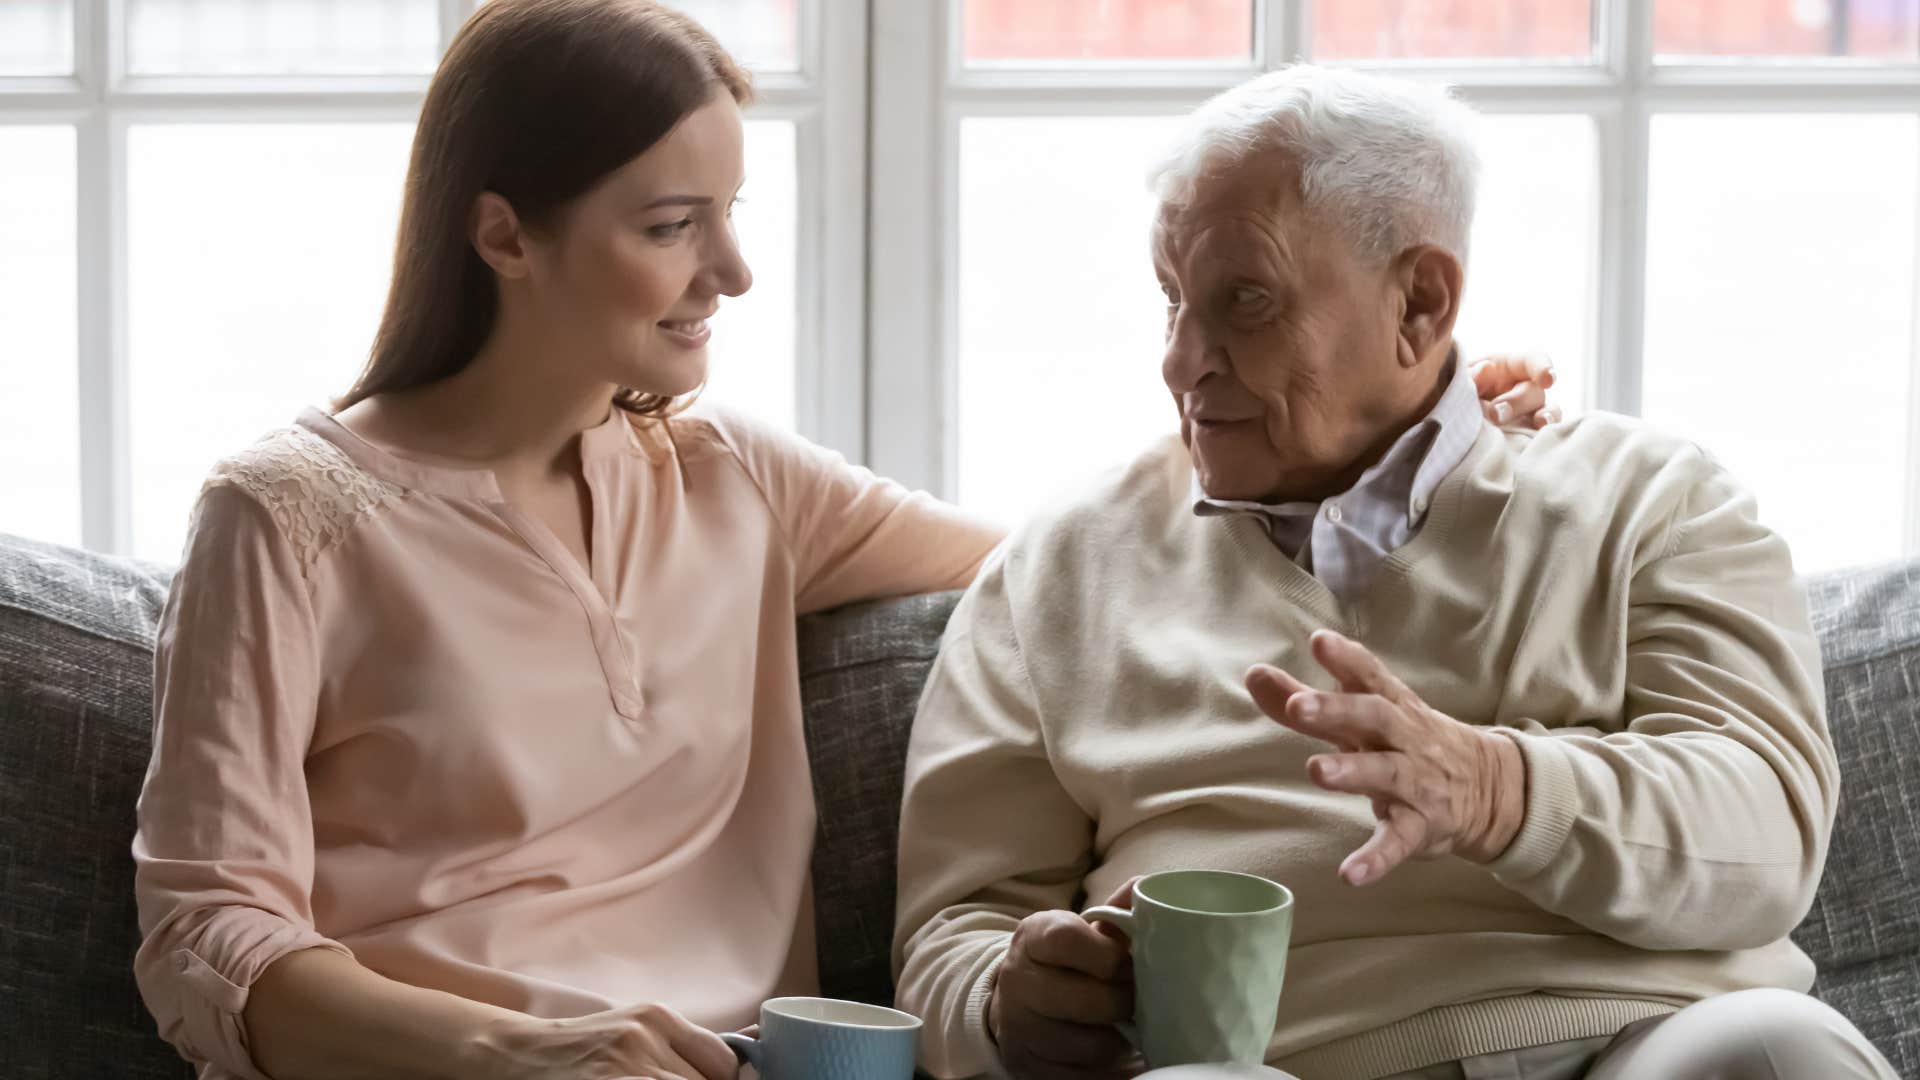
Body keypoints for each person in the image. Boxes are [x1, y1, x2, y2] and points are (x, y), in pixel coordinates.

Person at [130, 4, 1557, 1077]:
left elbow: (1082, 558)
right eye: (674, 225)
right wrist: (509, 1059)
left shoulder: (733, 475)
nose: (733, 273)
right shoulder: (282, 515)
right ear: (503, 234)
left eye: (732, 216)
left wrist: (1402, 414)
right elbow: (209, 941)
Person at [890, 65, 1897, 1080]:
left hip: (1642, 1043)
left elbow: (1765, 838)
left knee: (1776, 1052)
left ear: (1421, 301)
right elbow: (951, 933)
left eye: (1245, 300)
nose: (1181, 361)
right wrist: (1001, 1001)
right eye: (1171, 301)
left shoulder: (1656, 500)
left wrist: (1496, 790)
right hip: (1272, 1065)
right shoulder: (1061, 565)